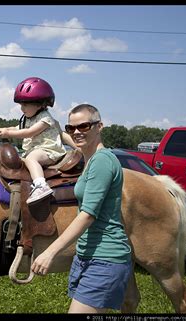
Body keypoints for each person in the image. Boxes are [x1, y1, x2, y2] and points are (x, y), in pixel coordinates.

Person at [30, 103, 132, 313]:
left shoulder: (102, 161)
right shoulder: (90, 160)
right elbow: (73, 141)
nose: (77, 132)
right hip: (86, 257)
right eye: (71, 128)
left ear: (99, 126)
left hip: (105, 258)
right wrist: (55, 130)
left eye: (84, 126)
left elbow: (87, 215)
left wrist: (50, 252)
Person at [0, 77, 78, 204]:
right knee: (25, 160)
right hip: (37, 150)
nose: (22, 108)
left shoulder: (45, 118)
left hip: (49, 150)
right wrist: (5, 128)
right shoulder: (28, 119)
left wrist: (8, 133)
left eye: (25, 104)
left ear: (40, 104)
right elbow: (18, 128)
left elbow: (30, 132)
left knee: (31, 159)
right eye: (21, 104)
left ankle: (40, 185)